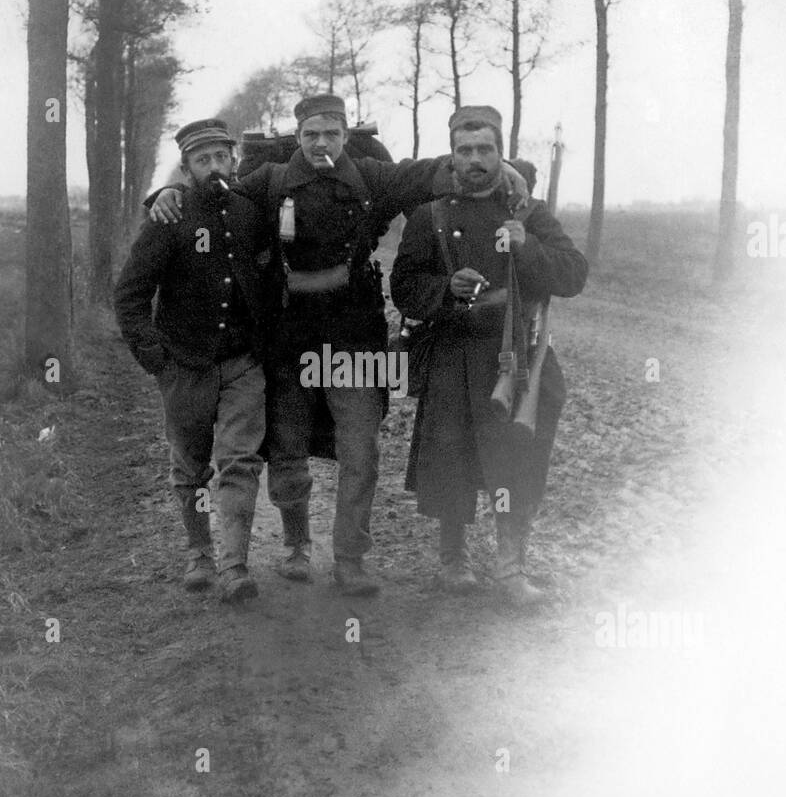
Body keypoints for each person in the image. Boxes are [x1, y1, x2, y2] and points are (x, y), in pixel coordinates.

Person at [148, 94, 530, 597]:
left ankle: (351, 559)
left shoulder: (373, 177)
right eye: (310, 135)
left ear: (346, 134)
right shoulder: (272, 181)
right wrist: (161, 195)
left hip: (356, 340)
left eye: (331, 133)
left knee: (361, 452)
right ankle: (296, 546)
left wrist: (511, 167)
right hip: (289, 341)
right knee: (287, 451)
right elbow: (211, 190)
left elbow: (435, 170)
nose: (321, 143)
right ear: (299, 136)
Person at [389, 106, 588, 605]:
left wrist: (527, 249)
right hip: (454, 353)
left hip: (516, 356)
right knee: (450, 458)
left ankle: (509, 569)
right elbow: (405, 287)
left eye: (485, 149)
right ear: (451, 155)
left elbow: (573, 276)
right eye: (465, 150)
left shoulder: (530, 214)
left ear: (501, 154)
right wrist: (444, 290)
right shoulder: (428, 216)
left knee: (517, 459)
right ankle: (452, 563)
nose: (475, 159)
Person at [114, 118, 275, 604]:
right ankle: (200, 553)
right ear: (187, 168)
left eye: (221, 157)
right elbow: (130, 296)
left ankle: (235, 565)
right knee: (190, 468)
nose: (214, 167)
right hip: (184, 367)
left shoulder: (251, 212)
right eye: (202, 160)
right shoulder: (169, 217)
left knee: (240, 461)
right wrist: (156, 360)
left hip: (243, 364)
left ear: (234, 159)